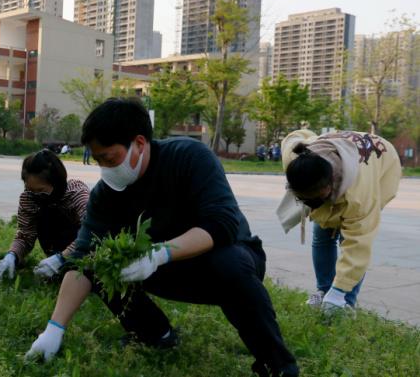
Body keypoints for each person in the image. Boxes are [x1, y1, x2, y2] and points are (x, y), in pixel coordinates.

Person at [25, 98, 298, 377]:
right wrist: (54, 328)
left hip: (224, 262)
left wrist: (161, 252)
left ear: (139, 143)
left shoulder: (189, 156)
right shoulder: (105, 196)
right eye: (99, 161)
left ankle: (276, 364)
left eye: (110, 159)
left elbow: (222, 223)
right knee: (103, 263)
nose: (106, 169)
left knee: (229, 263)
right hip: (164, 270)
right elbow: (83, 257)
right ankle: (155, 334)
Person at [278, 130, 401, 313]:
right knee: (322, 234)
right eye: (304, 200)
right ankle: (324, 290)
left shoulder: (360, 196)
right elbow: (293, 137)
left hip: (382, 161)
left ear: (330, 186)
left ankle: (344, 301)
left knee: (349, 240)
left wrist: (340, 290)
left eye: (315, 200)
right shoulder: (295, 156)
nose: (311, 206)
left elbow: (358, 245)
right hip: (337, 150)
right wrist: (312, 201)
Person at [0, 150, 89, 283]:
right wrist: (12, 255)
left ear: (56, 182)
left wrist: (62, 258)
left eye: (41, 190)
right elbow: (26, 235)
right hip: (53, 251)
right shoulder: (28, 198)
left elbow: (91, 235)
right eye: (30, 189)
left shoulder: (76, 194)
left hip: (84, 251)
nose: (35, 195)